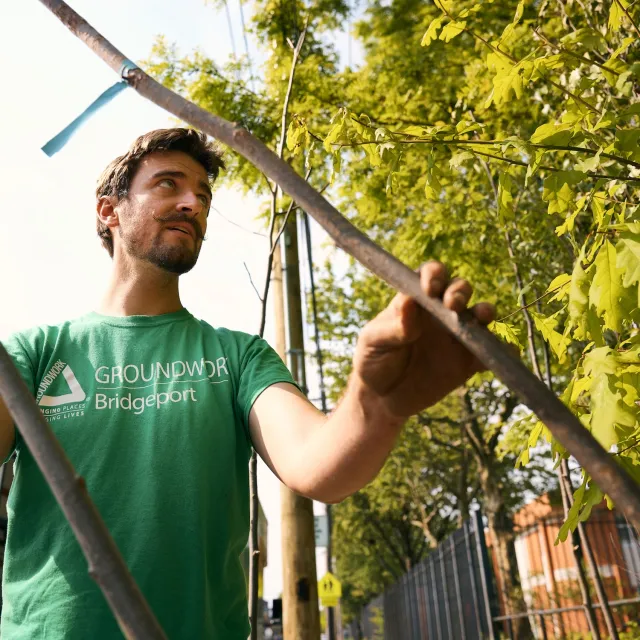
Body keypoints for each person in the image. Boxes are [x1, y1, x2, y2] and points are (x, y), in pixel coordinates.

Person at [0, 128, 494, 639]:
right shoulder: (32, 356)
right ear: (109, 211)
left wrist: (377, 405)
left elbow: (317, 466)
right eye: (168, 184)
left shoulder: (237, 357)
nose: (192, 202)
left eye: (203, 194)